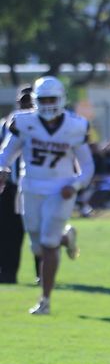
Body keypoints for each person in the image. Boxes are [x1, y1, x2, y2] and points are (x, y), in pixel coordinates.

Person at [0, 76, 93, 314]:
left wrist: (76, 185)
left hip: (60, 190)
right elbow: (6, 152)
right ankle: (65, 238)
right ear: (35, 101)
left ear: (62, 99)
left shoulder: (75, 125)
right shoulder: (23, 121)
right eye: (44, 99)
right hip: (30, 187)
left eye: (53, 99)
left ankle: (45, 300)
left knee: (48, 245)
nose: (49, 104)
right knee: (38, 246)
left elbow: (87, 166)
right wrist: (2, 169)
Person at [0, 85, 33, 283]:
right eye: (23, 101)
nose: (26, 105)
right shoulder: (5, 125)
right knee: (7, 230)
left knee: (37, 231)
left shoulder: (44, 125)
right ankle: (6, 271)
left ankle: (41, 273)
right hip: (9, 186)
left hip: (33, 184)